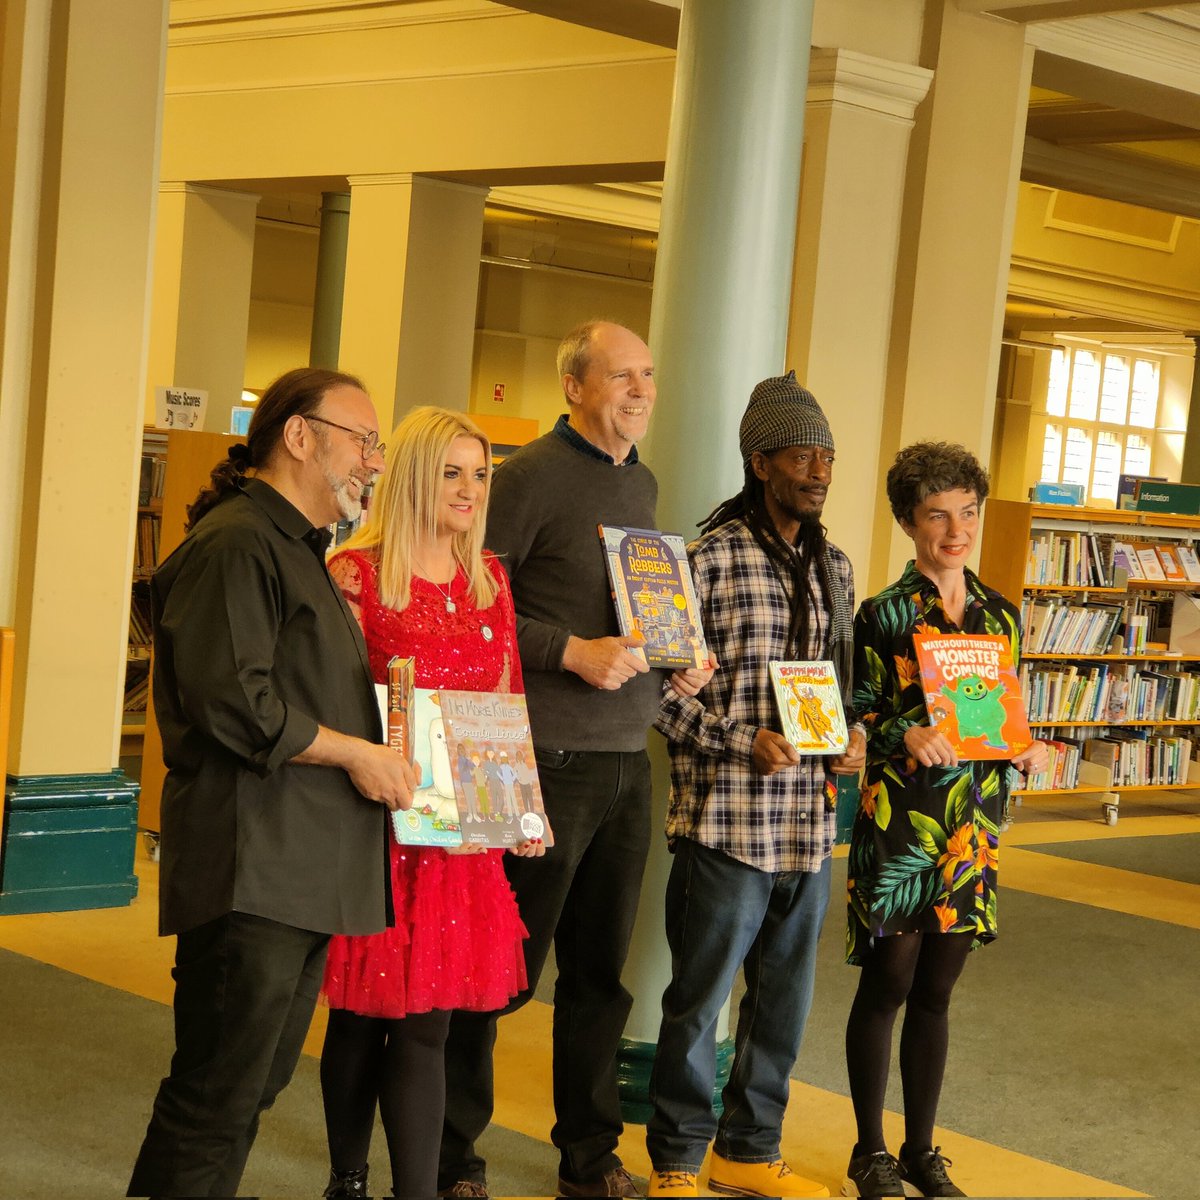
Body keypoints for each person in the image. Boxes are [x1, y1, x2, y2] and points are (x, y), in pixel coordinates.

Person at [128, 367, 419, 1198]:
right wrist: (358, 754)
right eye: (363, 440)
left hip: (297, 868)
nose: (374, 460)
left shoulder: (295, 548)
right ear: (298, 436)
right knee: (216, 1094)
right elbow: (236, 703)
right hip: (251, 866)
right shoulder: (238, 543)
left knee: (249, 1089)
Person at [438, 320, 711, 1199]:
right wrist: (570, 652)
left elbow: (637, 613)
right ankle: (451, 1156)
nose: (640, 391)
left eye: (648, 375)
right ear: (574, 386)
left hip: (629, 761)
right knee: (500, 973)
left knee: (600, 979)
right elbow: (470, 604)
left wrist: (680, 653)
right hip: (543, 762)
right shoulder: (524, 479)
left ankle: (588, 1161)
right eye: (621, 375)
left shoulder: (642, 482)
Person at [645, 373, 864, 1200]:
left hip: (808, 827)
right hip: (727, 825)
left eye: (828, 456)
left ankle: (749, 1149)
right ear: (760, 461)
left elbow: (839, 690)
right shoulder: (704, 561)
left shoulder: (837, 568)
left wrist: (847, 740)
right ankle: (676, 1160)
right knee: (698, 1003)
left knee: (783, 1006)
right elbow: (658, 697)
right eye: (802, 455)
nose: (819, 470)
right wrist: (743, 741)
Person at [318, 406, 546, 1200]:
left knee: (429, 1026)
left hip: (459, 840)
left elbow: (505, 695)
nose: (469, 488)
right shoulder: (354, 572)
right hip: (373, 827)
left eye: (479, 474)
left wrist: (524, 806)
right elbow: (329, 699)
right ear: (413, 473)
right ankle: (347, 1180)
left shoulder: (489, 578)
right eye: (452, 472)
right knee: (360, 1016)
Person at [840, 443, 1048, 1199]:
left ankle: (921, 1150)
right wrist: (905, 733)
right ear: (907, 521)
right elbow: (856, 718)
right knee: (888, 984)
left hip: (971, 827)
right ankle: (870, 1152)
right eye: (937, 515)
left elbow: (999, 715)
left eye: (967, 513)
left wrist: (1025, 747)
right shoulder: (882, 614)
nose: (956, 531)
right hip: (901, 822)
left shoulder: (1001, 616)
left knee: (938, 990)